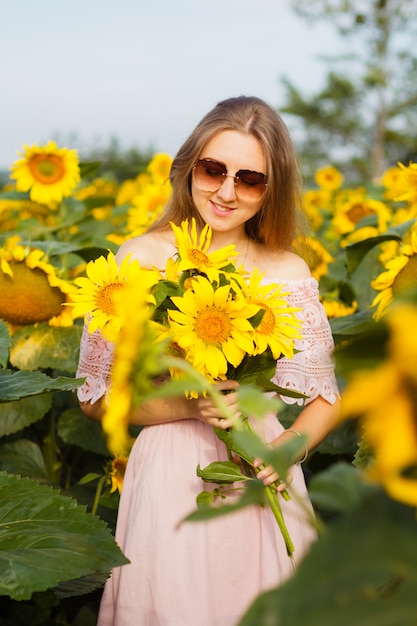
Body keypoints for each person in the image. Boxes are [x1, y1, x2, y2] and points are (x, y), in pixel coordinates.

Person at [77, 95, 340, 626]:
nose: (225, 191)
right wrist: (189, 407)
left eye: (249, 179)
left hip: (260, 470)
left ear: (272, 190)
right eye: (213, 169)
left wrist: (285, 450)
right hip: (171, 475)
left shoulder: (287, 273)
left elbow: (325, 398)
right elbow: (94, 397)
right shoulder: (138, 259)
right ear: (189, 166)